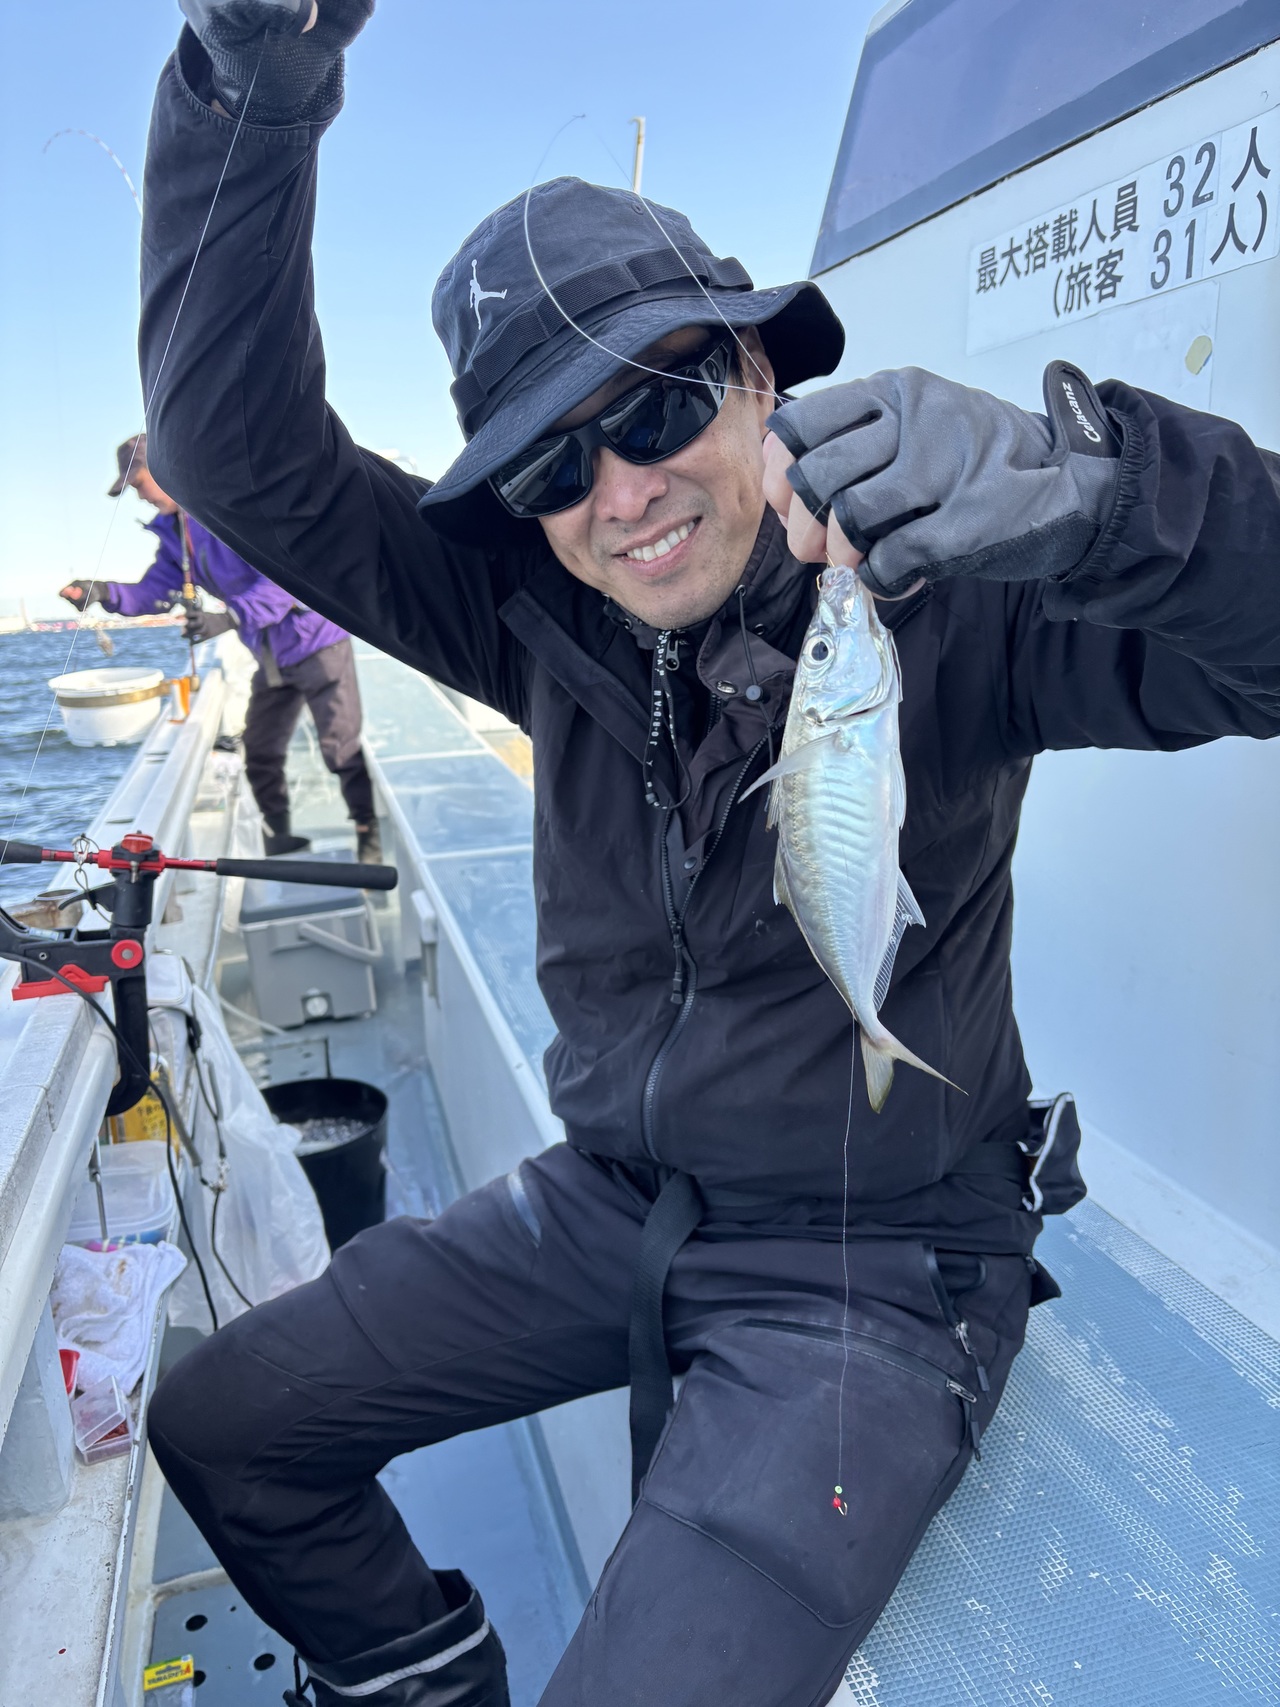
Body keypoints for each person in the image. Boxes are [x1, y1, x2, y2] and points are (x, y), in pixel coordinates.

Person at [138, 6, 1280, 1706]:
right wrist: (248, 76)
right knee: (224, 1418)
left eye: (659, 402)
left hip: (873, 1261)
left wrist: (1100, 494)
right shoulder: (528, 609)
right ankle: (424, 1676)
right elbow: (232, 448)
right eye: (549, 462)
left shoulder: (948, 597)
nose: (620, 492)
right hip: (615, 1196)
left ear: (758, 375)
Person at [61, 434, 381, 862]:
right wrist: (101, 592)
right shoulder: (174, 535)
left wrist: (227, 618)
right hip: (268, 654)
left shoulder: (232, 505)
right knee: (260, 750)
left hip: (318, 643)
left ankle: (367, 830)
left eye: (139, 484)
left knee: (339, 746)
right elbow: (155, 593)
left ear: (165, 468)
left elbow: (286, 575)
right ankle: (279, 834)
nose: (140, 496)